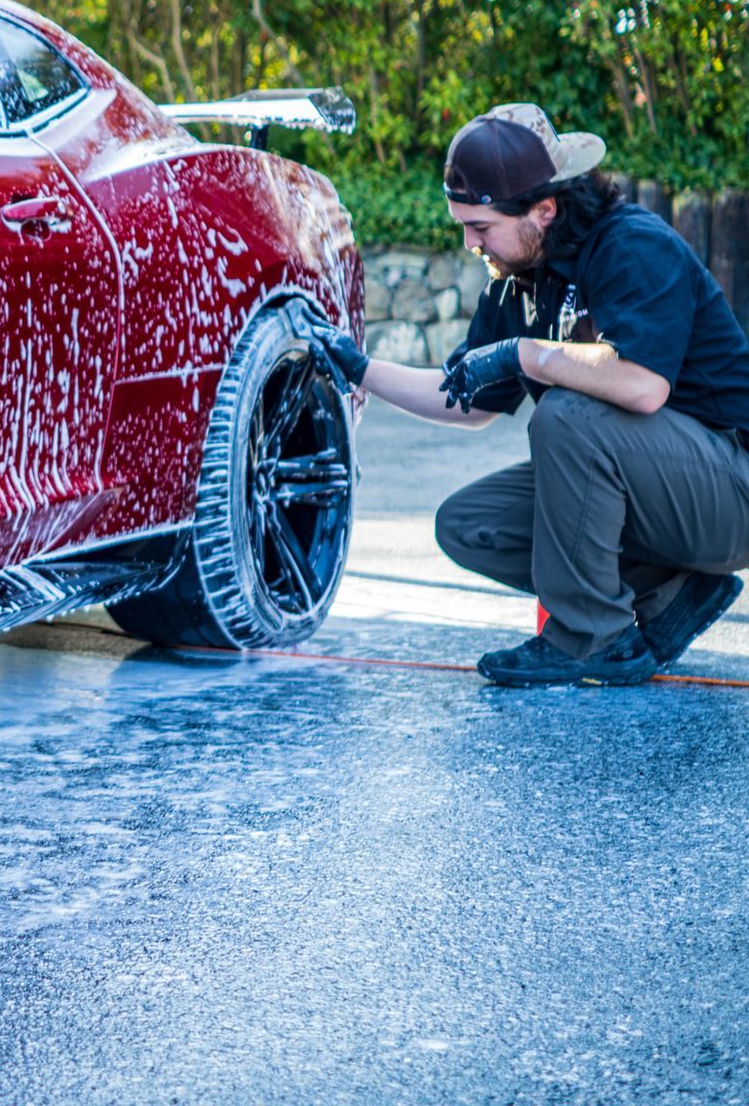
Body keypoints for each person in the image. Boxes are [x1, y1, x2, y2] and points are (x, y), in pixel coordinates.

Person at [303, 103, 749, 686]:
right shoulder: (519, 281)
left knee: (566, 416)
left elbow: (642, 385)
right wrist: (359, 369)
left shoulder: (632, 246)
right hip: (668, 495)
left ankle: (592, 640)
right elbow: (465, 400)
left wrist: (523, 353)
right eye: (463, 225)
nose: (469, 243)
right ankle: (671, 589)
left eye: (480, 227)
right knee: (469, 524)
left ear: (543, 210)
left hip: (731, 487)